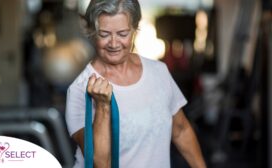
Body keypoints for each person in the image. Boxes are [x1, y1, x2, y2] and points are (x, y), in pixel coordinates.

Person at [65, 0, 206, 167]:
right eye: (104, 34)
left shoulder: (158, 72)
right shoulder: (79, 89)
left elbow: (180, 129)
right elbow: (100, 163)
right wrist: (103, 107)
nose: (114, 43)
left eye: (123, 34)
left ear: (135, 30)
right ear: (92, 32)